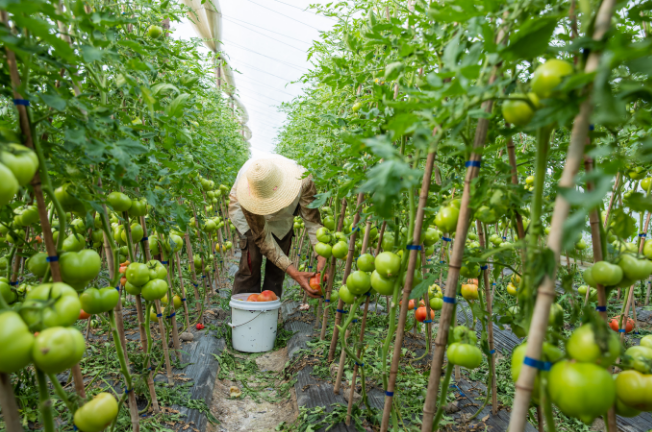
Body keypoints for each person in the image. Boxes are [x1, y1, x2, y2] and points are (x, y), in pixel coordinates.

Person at [228, 155, 326, 299]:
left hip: (283, 220)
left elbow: (313, 222)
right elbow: (263, 239)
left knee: (277, 269)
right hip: (247, 217)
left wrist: (322, 257)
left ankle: (270, 310)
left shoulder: (303, 180)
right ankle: (245, 310)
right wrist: (295, 274)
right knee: (251, 265)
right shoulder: (247, 193)